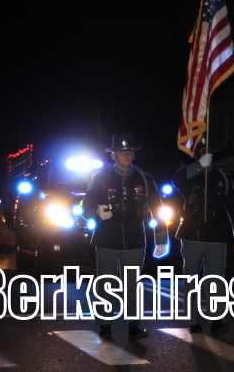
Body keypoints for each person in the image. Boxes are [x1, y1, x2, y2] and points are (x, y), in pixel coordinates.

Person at [82, 133, 168, 340]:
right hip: (107, 236)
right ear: (113, 155)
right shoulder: (100, 177)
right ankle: (105, 324)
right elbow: (85, 207)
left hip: (134, 236)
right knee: (105, 283)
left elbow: (158, 208)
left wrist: (161, 238)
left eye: (129, 150)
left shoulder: (145, 178)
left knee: (132, 284)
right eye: (121, 151)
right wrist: (97, 213)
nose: (126, 154)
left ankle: (133, 325)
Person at [172, 135, 234, 335]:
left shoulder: (223, 178)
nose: (206, 154)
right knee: (191, 279)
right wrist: (198, 166)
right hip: (192, 232)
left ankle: (217, 319)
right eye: (201, 151)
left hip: (216, 233)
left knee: (216, 280)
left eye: (209, 151)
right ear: (196, 154)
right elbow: (176, 181)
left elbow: (232, 208)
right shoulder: (188, 174)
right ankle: (193, 320)